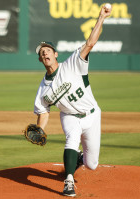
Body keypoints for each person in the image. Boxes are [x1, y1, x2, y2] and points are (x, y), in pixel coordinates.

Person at [33, 4, 112, 197]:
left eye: (48, 50)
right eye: (42, 53)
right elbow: (43, 111)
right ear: (41, 60)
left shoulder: (72, 64)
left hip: (92, 114)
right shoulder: (43, 88)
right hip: (69, 117)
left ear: (55, 54)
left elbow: (90, 43)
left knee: (91, 165)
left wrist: (101, 18)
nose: (45, 53)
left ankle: (78, 159)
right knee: (71, 139)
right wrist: (40, 130)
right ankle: (68, 181)